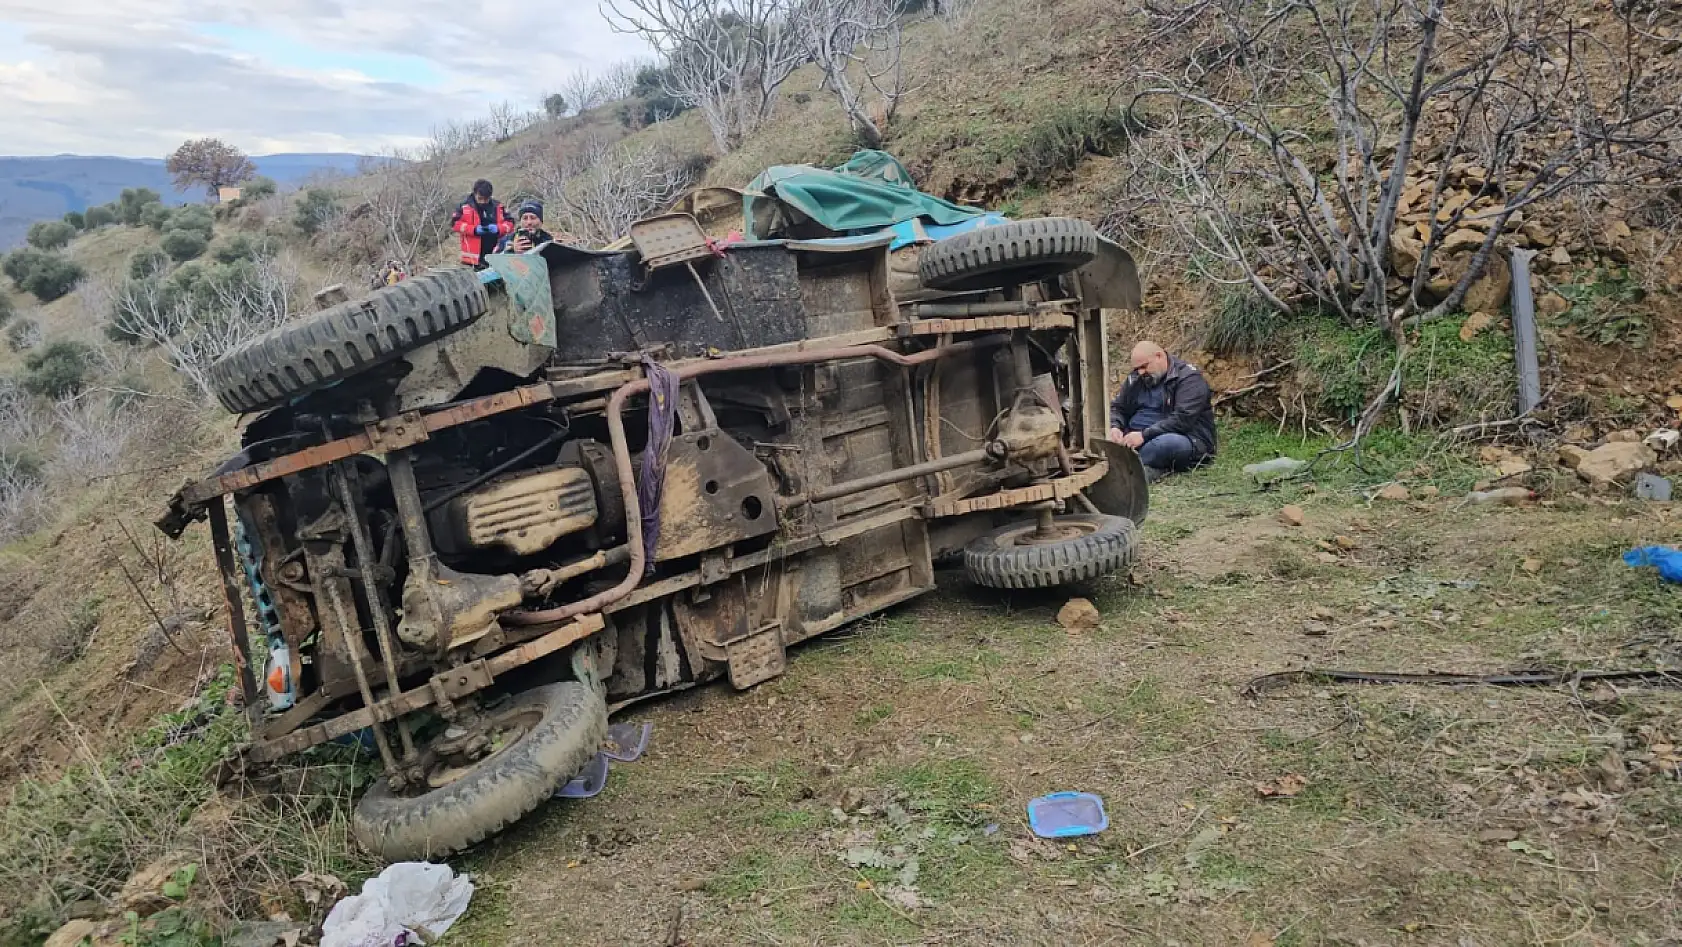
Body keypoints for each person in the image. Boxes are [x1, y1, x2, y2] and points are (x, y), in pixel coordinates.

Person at [1107, 341, 1216, 481]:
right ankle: (1145, 468)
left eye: (1144, 366)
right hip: (1134, 437)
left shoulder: (1189, 379)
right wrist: (1115, 427)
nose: (1140, 372)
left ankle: (1125, 468)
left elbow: (1182, 420)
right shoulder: (1135, 378)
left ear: (1159, 356)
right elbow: (1118, 407)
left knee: (1165, 444)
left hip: (1185, 438)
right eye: (1137, 368)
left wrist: (1144, 435)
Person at [451, 179, 513, 268]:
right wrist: (474, 230)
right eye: (480, 198)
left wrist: (498, 229)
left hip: (495, 255)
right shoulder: (464, 207)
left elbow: (510, 223)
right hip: (472, 259)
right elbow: (455, 224)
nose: (483, 202)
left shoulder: (498, 207)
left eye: (486, 199)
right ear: (474, 193)